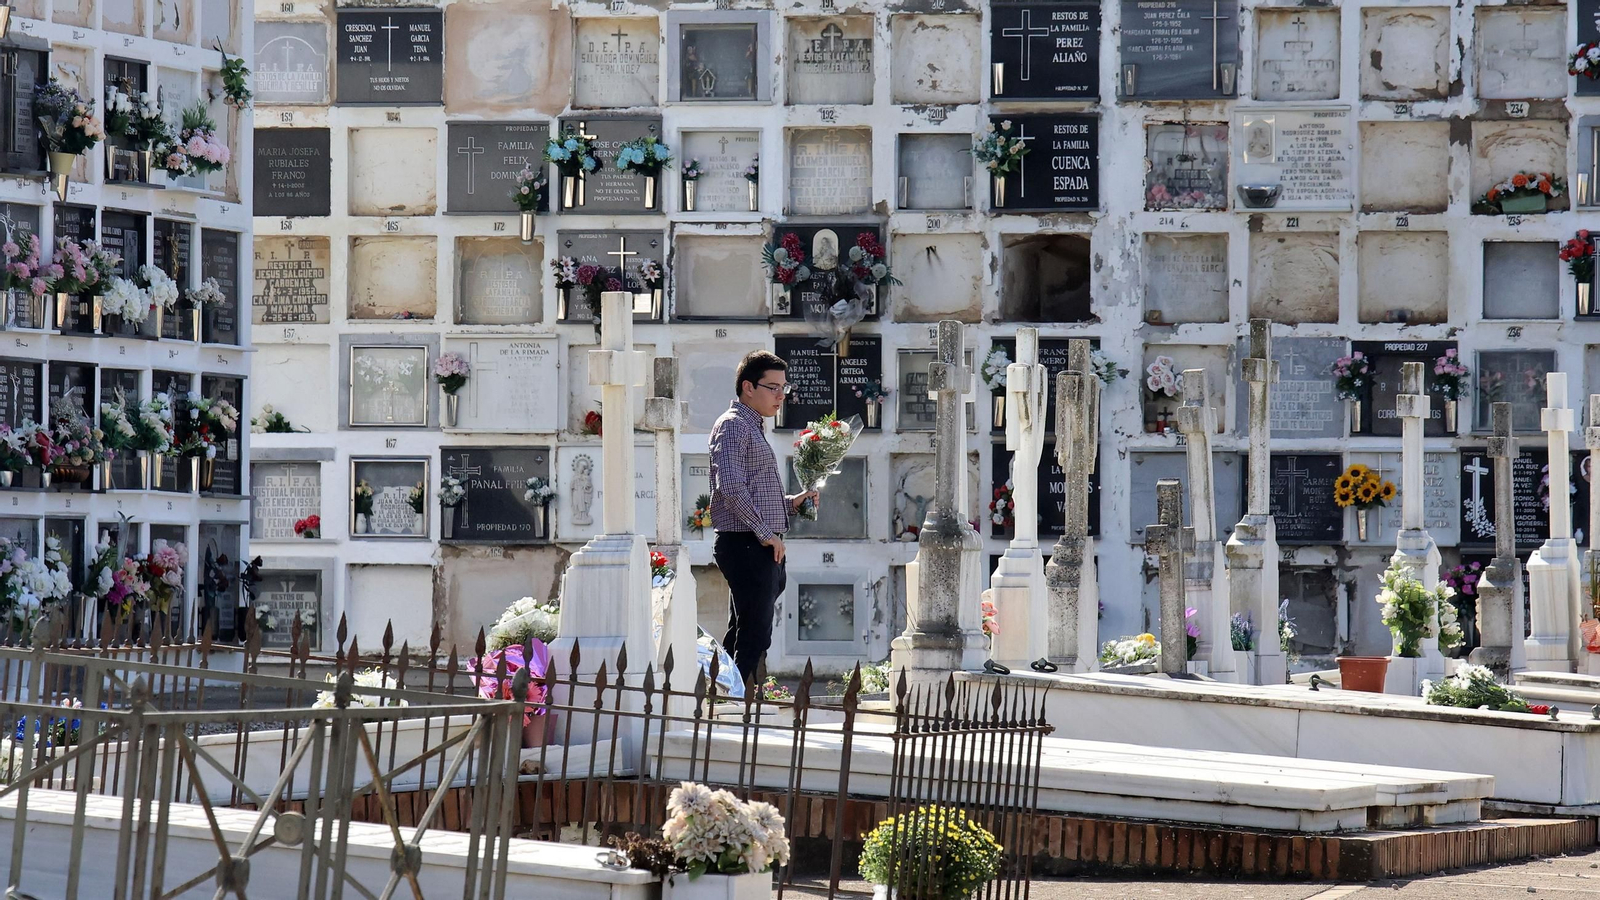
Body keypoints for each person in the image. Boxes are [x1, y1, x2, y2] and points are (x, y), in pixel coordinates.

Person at [709, 350, 816, 682]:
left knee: (744, 630)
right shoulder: (734, 426)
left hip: (754, 542)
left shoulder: (751, 427)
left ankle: (724, 694)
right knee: (754, 634)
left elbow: (754, 493)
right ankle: (737, 703)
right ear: (748, 387)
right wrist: (764, 532)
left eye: (784, 387)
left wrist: (792, 503)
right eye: (773, 387)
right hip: (745, 543)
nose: (781, 396)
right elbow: (730, 487)